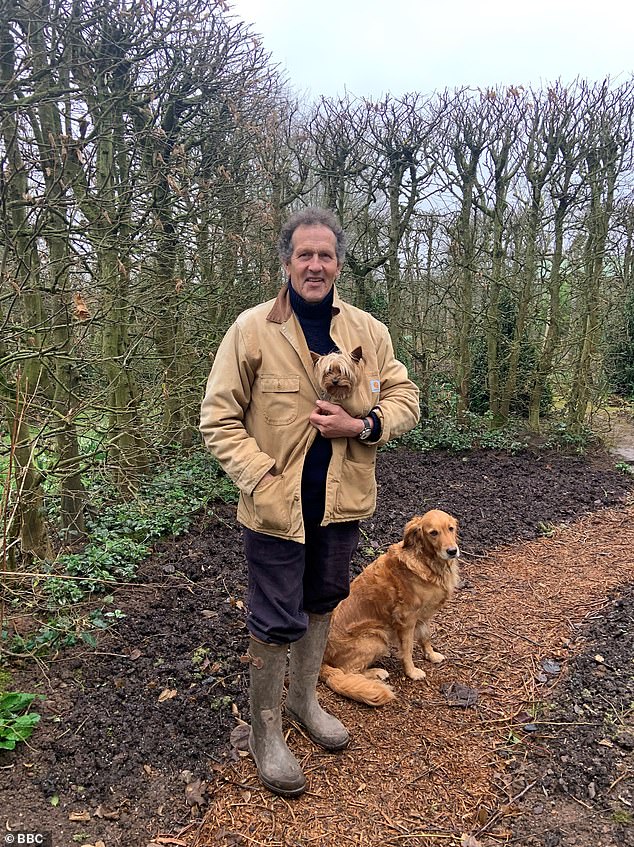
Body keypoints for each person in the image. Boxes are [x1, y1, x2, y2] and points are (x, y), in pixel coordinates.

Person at [200, 207, 419, 797]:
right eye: (305, 254)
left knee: (323, 599)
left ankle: (303, 702)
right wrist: (260, 476)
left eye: (325, 255)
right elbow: (217, 417)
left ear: (338, 264)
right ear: (287, 261)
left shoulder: (368, 334)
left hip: (342, 504)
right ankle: (265, 731)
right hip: (276, 509)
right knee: (274, 618)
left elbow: (406, 397)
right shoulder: (251, 330)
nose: (315, 265)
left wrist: (365, 424)